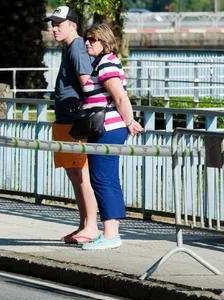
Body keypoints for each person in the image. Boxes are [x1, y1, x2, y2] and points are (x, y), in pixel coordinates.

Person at [80, 24, 144, 250]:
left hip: (106, 129)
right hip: (107, 128)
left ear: (104, 40)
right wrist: (128, 121)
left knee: (101, 179)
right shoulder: (104, 61)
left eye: (92, 38)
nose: (87, 42)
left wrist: (129, 122)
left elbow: (119, 97)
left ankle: (109, 235)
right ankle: (112, 231)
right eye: (86, 38)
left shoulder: (106, 62)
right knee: (108, 178)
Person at [45, 6, 99, 244]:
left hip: (74, 123)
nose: (54, 28)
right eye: (52, 24)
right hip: (64, 121)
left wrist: (84, 114)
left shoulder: (77, 47)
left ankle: (91, 227)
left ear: (73, 25)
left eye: (59, 24)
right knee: (74, 175)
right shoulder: (70, 48)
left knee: (81, 175)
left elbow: (87, 84)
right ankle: (82, 226)